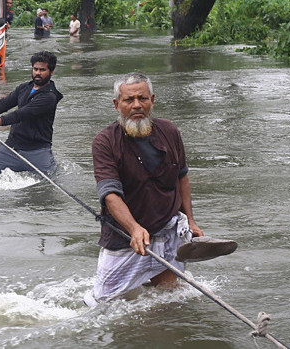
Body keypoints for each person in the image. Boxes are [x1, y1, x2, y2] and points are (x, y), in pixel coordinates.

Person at [86, 73, 234, 306]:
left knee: (170, 297)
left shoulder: (170, 132)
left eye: (142, 98)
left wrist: (191, 221)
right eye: (129, 100)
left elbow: (181, 177)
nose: (136, 105)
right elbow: (110, 194)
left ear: (152, 100)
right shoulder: (105, 142)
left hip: (167, 229)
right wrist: (134, 228)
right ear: (117, 104)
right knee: (102, 305)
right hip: (126, 238)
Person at [0, 51, 62, 174]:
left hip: (37, 151)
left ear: (51, 72)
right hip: (12, 148)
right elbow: (2, 104)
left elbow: (21, 114)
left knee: (46, 182)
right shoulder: (24, 87)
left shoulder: (49, 97)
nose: (37, 73)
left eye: (42, 70)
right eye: (35, 69)